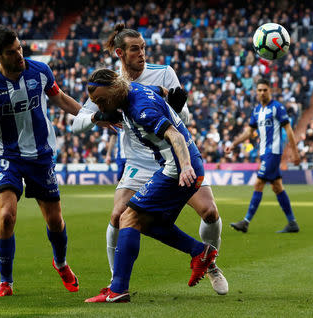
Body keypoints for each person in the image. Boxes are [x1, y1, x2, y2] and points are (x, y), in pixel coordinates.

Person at [72, 24, 228, 295]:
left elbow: (181, 122)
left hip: (174, 160)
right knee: (120, 216)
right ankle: (115, 280)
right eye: (135, 49)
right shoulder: (106, 84)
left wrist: (177, 106)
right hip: (139, 162)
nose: (142, 54)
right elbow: (77, 124)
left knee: (210, 212)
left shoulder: (163, 73)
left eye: (143, 48)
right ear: (120, 53)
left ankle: (210, 263)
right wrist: (98, 117)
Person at [0, 26, 81, 297]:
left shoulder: (40, 71)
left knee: (55, 221)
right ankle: (6, 282)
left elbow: (59, 98)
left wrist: (89, 116)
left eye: (20, 49)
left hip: (40, 156)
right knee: (6, 216)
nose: (19, 55)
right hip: (7, 155)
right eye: (12, 53)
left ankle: (60, 263)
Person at [225, 78, 301, 233]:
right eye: (259, 90)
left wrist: (295, 151)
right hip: (264, 153)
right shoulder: (257, 110)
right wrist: (234, 144)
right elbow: (248, 132)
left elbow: (289, 130)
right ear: (256, 92)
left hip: (273, 152)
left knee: (258, 184)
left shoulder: (277, 108)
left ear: (270, 91)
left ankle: (245, 222)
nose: (262, 92)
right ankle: (292, 223)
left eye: (265, 90)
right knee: (277, 187)